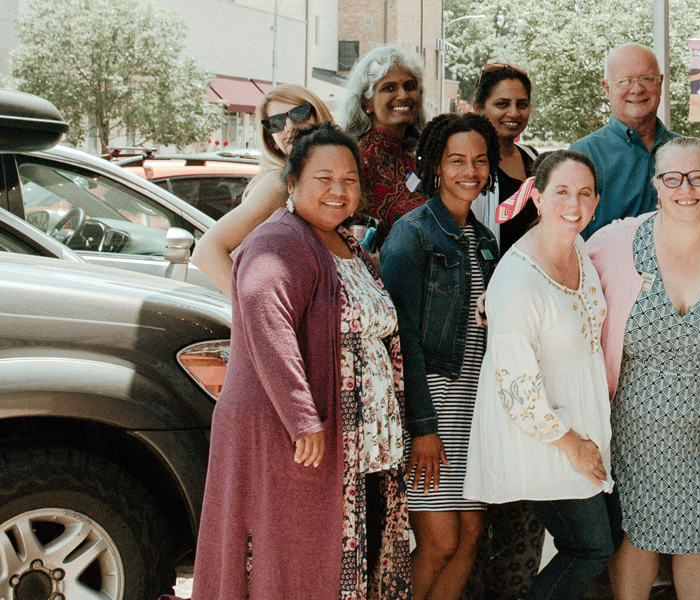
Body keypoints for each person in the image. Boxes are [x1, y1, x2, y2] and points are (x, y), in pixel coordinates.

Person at [191, 122, 411, 599]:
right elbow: (262, 310)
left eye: (350, 179)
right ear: (291, 184)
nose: (339, 190)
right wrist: (302, 417)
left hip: (359, 447)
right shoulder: (282, 241)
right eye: (323, 178)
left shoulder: (346, 244)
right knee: (294, 566)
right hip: (294, 439)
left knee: (339, 563)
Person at [587, 136, 700, 600]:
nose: (686, 188)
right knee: (635, 529)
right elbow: (558, 274)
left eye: (698, 176)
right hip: (630, 426)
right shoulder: (614, 242)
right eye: (672, 178)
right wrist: (500, 292)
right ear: (657, 186)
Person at [464, 150, 615, 600]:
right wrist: (573, 446)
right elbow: (517, 389)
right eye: (562, 192)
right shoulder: (516, 281)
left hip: (577, 428)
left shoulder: (579, 248)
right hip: (545, 436)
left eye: (584, 194)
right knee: (590, 548)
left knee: (589, 545)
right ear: (537, 198)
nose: (574, 204)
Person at [379, 113, 500, 600]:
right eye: (456, 160)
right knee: (440, 540)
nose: (469, 170)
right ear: (434, 165)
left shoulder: (486, 241)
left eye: (479, 160)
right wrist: (422, 428)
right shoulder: (413, 235)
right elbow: (401, 339)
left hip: (475, 408)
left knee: (469, 536)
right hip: (432, 408)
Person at [191, 84, 333, 294]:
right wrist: (257, 311)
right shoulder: (279, 184)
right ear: (273, 141)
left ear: (319, 116)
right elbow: (206, 251)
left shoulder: (316, 179)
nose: (290, 126)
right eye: (276, 123)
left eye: (300, 113)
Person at [571, 43, 680, 239]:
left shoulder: (685, 151)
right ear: (606, 88)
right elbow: (571, 239)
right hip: (605, 269)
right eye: (624, 81)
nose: (637, 89)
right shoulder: (584, 155)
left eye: (647, 79)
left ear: (660, 83)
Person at [339, 44, 429, 248]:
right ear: (366, 103)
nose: (403, 95)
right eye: (389, 88)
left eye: (410, 86)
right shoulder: (353, 160)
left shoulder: (416, 161)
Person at [470, 62, 541, 254]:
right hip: (494, 280)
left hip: (537, 277)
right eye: (502, 104)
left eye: (522, 104)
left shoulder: (533, 158)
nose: (514, 112)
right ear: (479, 108)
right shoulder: (471, 168)